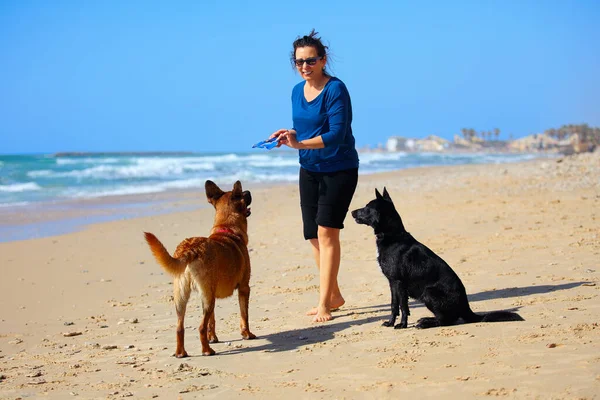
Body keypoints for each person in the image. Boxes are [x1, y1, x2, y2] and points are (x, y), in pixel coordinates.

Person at [270, 30, 359, 322]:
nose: (304, 67)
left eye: (310, 61)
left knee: (327, 232)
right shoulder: (297, 91)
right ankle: (333, 294)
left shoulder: (336, 89)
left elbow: (336, 134)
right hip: (309, 168)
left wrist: (299, 144)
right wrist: (290, 134)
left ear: (323, 60)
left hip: (339, 168)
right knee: (312, 235)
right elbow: (305, 129)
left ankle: (324, 304)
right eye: (299, 62)